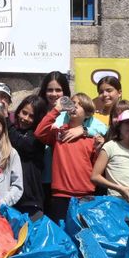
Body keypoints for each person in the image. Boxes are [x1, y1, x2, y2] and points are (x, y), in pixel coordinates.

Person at [36, 93, 98, 223]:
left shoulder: (91, 137)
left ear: (87, 114)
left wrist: (95, 141)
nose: (74, 105)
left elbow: (97, 165)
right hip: (61, 194)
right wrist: (57, 109)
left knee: (84, 236)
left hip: (85, 195)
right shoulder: (59, 132)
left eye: (79, 105)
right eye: (72, 102)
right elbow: (39, 132)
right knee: (62, 235)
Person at [93, 109, 129, 214]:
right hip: (116, 203)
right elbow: (95, 176)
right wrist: (119, 188)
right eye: (128, 122)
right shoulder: (110, 146)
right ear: (119, 125)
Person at [8, 95, 47, 216]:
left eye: (31, 116)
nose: (25, 118)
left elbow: (22, 144)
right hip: (9, 198)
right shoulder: (13, 130)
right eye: (24, 113)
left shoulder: (38, 137)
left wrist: (5, 119)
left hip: (30, 202)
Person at [37, 71, 71, 210]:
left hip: (62, 178)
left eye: (58, 90)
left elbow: (96, 127)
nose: (54, 94)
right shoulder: (38, 110)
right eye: (50, 90)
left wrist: (83, 130)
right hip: (39, 174)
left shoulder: (71, 113)